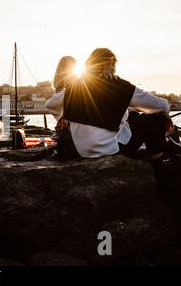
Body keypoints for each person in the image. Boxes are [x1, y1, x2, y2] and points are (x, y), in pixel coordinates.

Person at [46, 48, 180, 190]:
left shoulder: (75, 86)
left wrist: (64, 116)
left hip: (81, 149)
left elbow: (50, 104)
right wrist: (164, 115)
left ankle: (163, 147)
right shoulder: (121, 86)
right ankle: (156, 165)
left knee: (133, 116)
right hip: (109, 150)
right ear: (112, 64)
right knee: (155, 119)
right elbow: (160, 105)